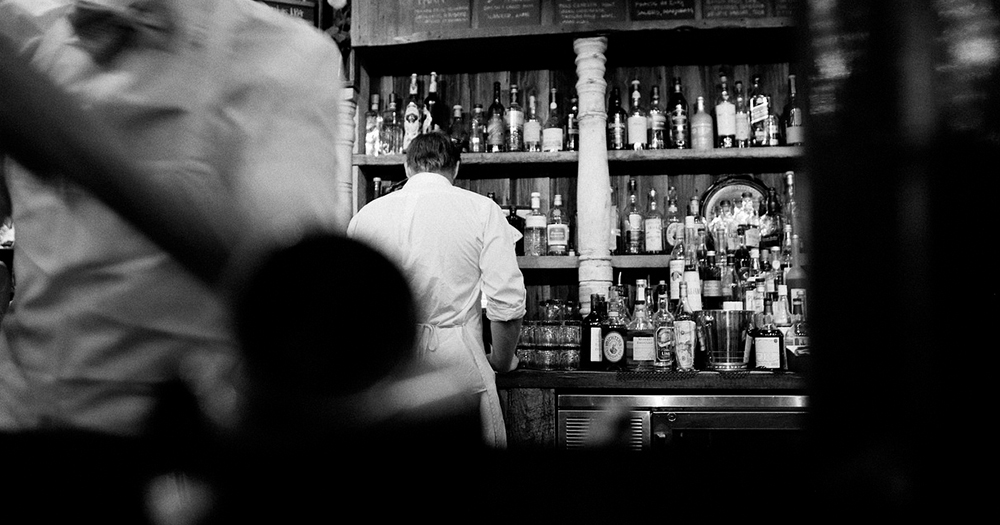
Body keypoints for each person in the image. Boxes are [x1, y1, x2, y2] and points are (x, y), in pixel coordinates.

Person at [0, 0, 349, 465]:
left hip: (196, 451)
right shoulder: (27, 37)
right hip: (31, 435)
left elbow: (288, 294)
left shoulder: (283, 54)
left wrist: (91, 158)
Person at [347, 131, 526, 449]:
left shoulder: (366, 216)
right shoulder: (481, 210)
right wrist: (501, 360)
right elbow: (506, 302)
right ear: (455, 169)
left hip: (386, 370)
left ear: (406, 167)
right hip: (458, 367)